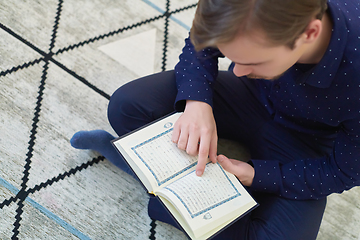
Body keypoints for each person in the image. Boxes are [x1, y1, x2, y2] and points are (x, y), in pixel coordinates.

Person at [70, 0, 360, 239]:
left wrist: (257, 175)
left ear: (309, 33)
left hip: (304, 141)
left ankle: (150, 174)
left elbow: (343, 171)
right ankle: (178, 187)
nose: (236, 69)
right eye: (235, 57)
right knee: (126, 106)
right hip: (246, 96)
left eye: (254, 61)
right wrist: (197, 104)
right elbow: (201, 42)